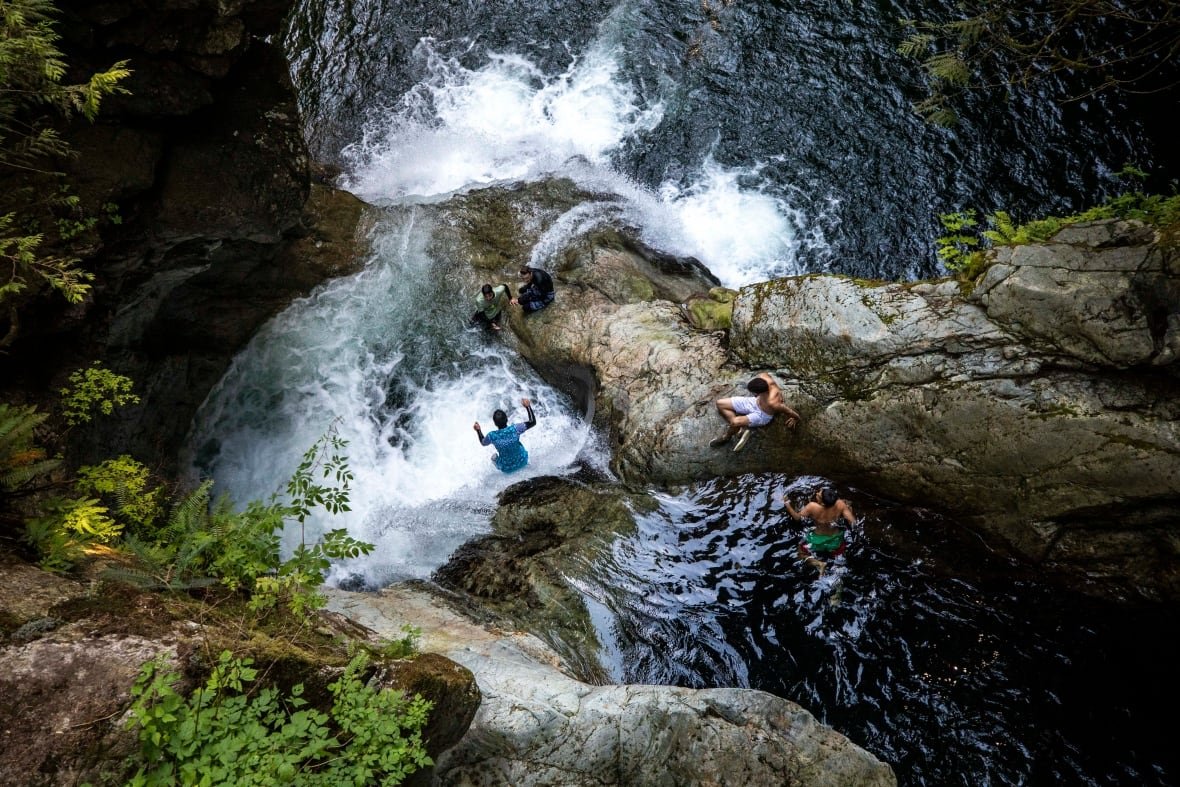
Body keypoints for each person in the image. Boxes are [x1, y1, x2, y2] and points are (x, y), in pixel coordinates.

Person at [710, 372, 801, 452]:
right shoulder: (766, 380)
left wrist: (796, 418)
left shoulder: (773, 403)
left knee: (734, 422)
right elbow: (764, 373)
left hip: (762, 415)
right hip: (754, 402)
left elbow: (788, 411)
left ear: (758, 392)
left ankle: (726, 437)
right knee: (720, 403)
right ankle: (740, 428)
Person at [785, 486, 856, 573]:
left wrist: (787, 504)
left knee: (800, 553)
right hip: (836, 540)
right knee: (839, 562)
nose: (817, 493)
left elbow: (797, 518)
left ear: (822, 503)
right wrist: (849, 509)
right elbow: (852, 522)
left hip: (817, 541)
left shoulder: (812, 507)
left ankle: (818, 564)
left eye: (819, 495)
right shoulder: (840, 504)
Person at [474, 397, 537, 473]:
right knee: (518, 443)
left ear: (495, 423)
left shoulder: (492, 436)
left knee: (493, 457)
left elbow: (483, 442)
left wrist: (478, 430)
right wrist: (528, 406)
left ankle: (501, 464)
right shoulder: (515, 429)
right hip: (523, 461)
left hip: (506, 468)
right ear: (507, 419)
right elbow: (533, 422)